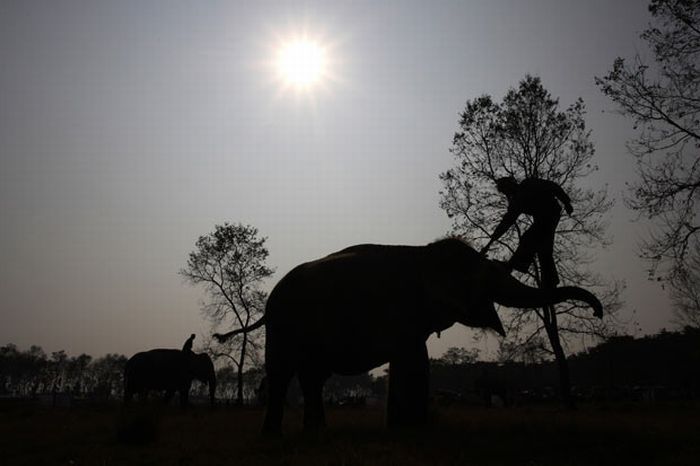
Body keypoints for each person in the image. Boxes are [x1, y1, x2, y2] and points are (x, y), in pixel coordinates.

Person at [480, 176, 573, 287]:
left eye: (507, 189)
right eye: (505, 192)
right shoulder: (516, 202)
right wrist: (491, 242)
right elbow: (507, 222)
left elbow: (552, 186)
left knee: (529, 238)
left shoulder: (528, 183)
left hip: (551, 212)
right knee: (543, 249)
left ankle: (512, 266)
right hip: (543, 218)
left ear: (511, 184)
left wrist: (566, 201)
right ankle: (550, 281)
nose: (507, 193)